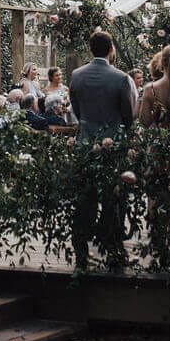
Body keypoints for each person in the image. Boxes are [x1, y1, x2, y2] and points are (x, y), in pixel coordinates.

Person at [68, 31, 136, 268]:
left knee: (84, 198)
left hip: (85, 143)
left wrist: (87, 126)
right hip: (112, 145)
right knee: (113, 199)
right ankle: (113, 251)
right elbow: (129, 116)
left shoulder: (76, 75)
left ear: (90, 49)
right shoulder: (121, 78)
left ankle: (81, 252)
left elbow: (76, 110)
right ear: (111, 50)